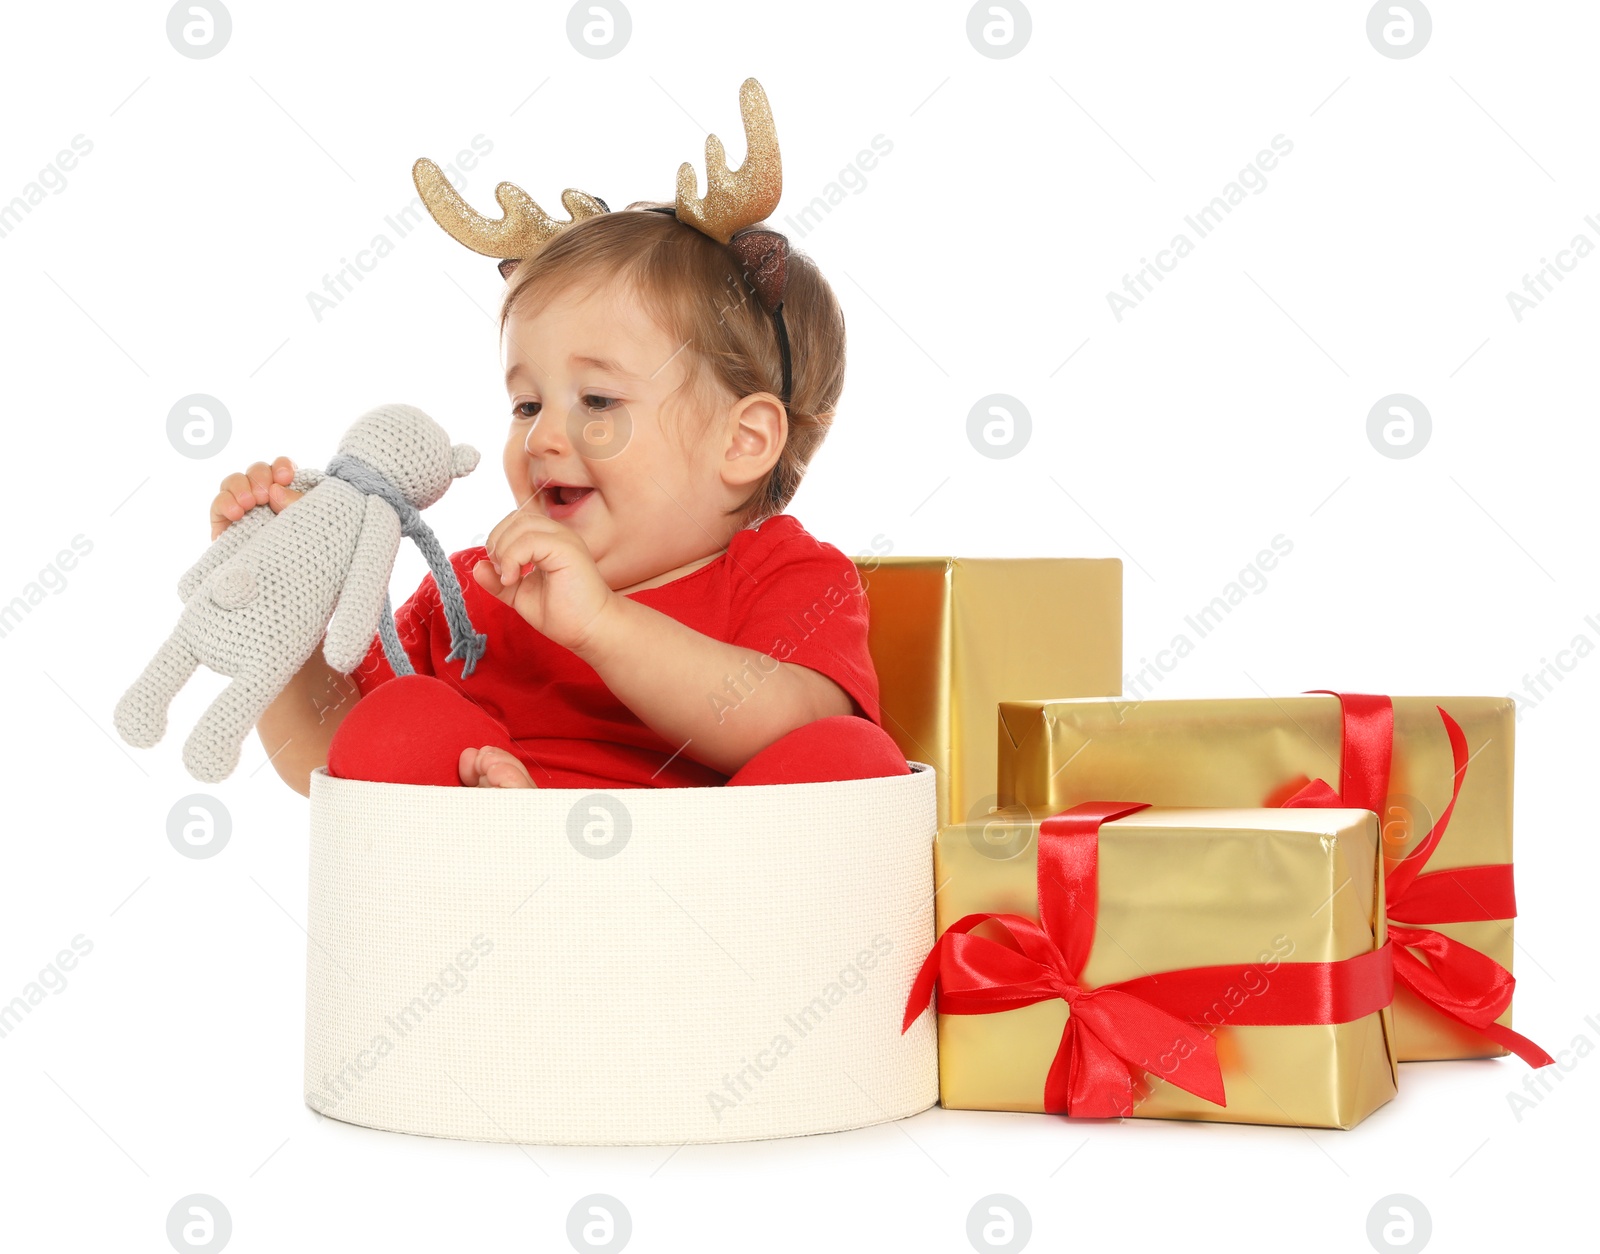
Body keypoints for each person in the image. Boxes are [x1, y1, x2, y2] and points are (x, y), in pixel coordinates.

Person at [210, 82, 906, 795]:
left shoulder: (787, 574)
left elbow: (793, 723)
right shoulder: (476, 588)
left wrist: (601, 626)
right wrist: (283, 606)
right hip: (495, 886)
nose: (541, 437)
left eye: (597, 400)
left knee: (851, 757)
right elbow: (330, 754)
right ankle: (502, 834)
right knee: (398, 718)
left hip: (715, 888)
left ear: (743, 442)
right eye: (525, 403)